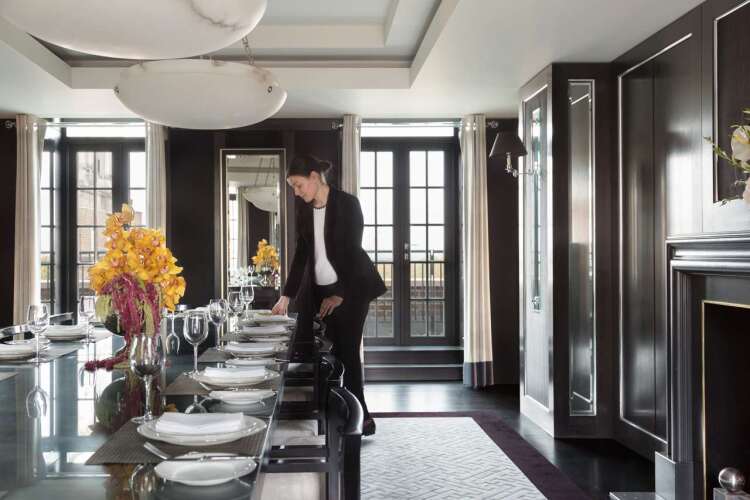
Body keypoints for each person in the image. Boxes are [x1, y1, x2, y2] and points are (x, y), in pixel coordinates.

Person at [272, 154, 386, 436]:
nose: (296, 193)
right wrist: (286, 295)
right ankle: (337, 410)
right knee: (330, 352)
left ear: (314, 177)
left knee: (347, 351)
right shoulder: (304, 211)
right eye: (293, 188)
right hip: (320, 293)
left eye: (298, 185)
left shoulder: (348, 204)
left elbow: (352, 254)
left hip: (353, 290)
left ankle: (361, 419)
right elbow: (301, 255)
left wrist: (339, 295)